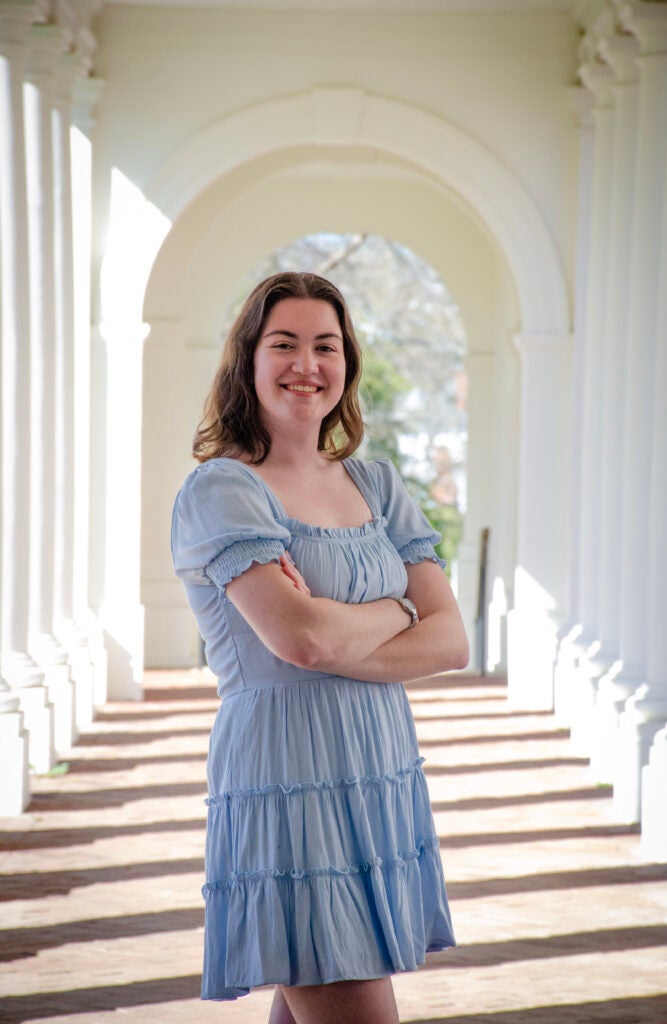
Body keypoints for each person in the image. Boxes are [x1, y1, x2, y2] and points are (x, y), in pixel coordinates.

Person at [171, 271, 469, 1024]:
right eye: (285, 344)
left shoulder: (377, 483)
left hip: (376, 768)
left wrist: (349, 620)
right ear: (247, 361)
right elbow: (300, 642)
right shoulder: (223, 490)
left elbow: (452, 639)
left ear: (348, 366)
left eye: (325, 346)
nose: (307, 363)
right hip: (286, 775)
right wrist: (400, 606)